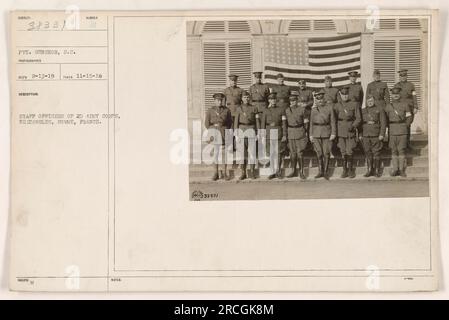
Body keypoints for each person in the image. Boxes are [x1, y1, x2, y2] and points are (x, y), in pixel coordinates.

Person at [384, 87, 414, 177]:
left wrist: (406, 125)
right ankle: (395, 169)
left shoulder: (405, 105)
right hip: (392, 130)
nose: (396, 95)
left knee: (401, 150)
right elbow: (384, 119)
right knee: (393, 151)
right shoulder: (388, 106)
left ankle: (401, 170)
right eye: (394, 94)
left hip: (402, 130)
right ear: (392, 95)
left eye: (397, 94)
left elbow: (409, 117)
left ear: (400, 94)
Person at [334, 86, 361, 178]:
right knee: (342, 151)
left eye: (346, 94)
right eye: (343, 94)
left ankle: (350, 170)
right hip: (341, 130)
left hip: (350, 129)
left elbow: (358, 118)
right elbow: (334, 119)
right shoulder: (337, 105)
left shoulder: (354, 104)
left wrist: (353, 126)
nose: (345, 96)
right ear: (340, 95)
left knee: (350, 150)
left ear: (348, 94)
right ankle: (344, 170)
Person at [205, 93, 233, 181]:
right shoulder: (210, 110)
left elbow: (229, 123)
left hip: (223, 131)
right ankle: (215, 173)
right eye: (218, 100)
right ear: (215, 101)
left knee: (224, 153)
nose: (220, 102)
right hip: (214, 132)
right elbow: (207, 123)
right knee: (215, 153)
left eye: (221, 100)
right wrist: (212, 131)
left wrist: (225, 130)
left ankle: (224, 173)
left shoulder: (227, 110)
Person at [309, 89, 337, 179]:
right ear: (316, 100)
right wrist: (310, 134)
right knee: (319, 153)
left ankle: (326, 172)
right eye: (318, 99)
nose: (320, 101)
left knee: (326, 152)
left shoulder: (329, 108)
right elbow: (311, 123)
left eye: (321, 99)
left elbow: (333, 121)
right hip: (316, 132)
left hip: (326, 132)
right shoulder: (313, 110)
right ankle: (320, 171)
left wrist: (333, 133)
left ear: (324, 98)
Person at [260, 92, 287, 179]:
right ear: (269, 101)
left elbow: (284, 123)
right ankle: (272, 172)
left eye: (274, 99)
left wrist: (284, 134)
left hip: (278, 132)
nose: (273, 101)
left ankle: (278, 171)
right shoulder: (265, 110)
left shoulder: (281, 110)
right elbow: (263, 124)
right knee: (271, 153)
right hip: (269, 132)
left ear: (276, 100)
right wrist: (263, 136)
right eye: (271, 99)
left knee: (278, 153)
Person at [360, 94, 387, 178]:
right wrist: (360, 134)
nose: (370, 102)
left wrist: (382, 134)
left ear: (374, 101)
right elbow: (360, 124)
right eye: (368, 101)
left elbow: (383, 123)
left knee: (376, 152)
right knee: (367, 152)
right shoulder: (363, 110)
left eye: (371, 101)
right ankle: (369, 170)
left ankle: (376, 170)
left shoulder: (379, 110)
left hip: (376, 134)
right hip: (365, 134)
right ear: (366, 102)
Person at [234, 91, 259, 180]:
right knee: (242, 153)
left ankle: (252, 171)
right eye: (244, 97)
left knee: (252, 152)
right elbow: (236, 121)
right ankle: (243, 172)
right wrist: (236, 134)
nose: (246, 99)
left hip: (251, 129)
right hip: (241, 129)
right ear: (242, 98)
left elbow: (257, 121)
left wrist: (257, 133)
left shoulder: (254, 108)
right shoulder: (239, 108)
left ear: (250, 98)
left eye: (248, 97)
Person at [285, 94, 309, 179]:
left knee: (300, 153)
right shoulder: (287, 110)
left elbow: (306, 123)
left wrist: (304, 132)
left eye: (294, 100)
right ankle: (293, 171)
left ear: (297, 101)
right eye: (291, 101)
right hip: (291, 132)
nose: (292, 102)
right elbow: (285, 123)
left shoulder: (302, 110)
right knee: (292, 154)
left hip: (300, 132)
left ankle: (301, 172)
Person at [394, 69, 419, 149]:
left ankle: (407, 143)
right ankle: (401, 144)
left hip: (409, 108)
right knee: (400, 125)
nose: (403, 77)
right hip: (400, 109)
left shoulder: (411, 85)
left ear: (407, 76)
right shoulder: (396, 86)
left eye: (404, 76)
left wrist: (415, 107)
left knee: (408, 125)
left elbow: (414, 96)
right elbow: (394, 97)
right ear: (399, 77)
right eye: (401, 76)